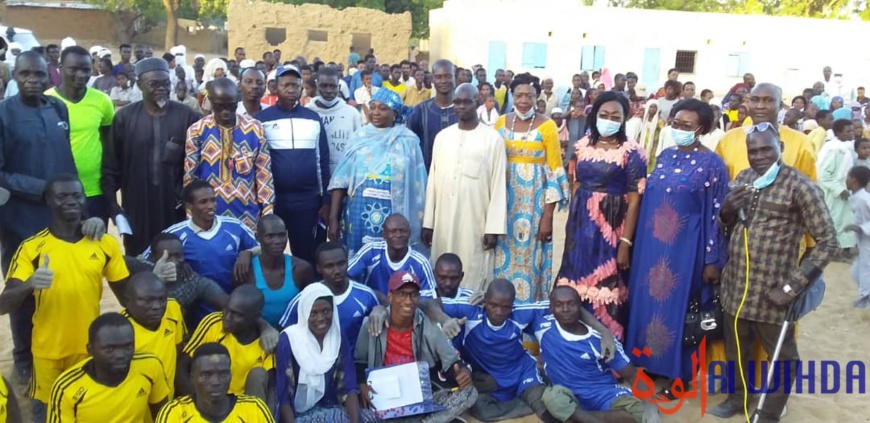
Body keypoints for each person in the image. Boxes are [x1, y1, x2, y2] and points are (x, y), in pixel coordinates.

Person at [710, 124, 838, 422]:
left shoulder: (801, 187)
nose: (759, 156)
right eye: (752, 150)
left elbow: (828, 241)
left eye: (766, 148)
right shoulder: (743, 179)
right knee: (736, 351)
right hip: (736, 288)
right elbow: (727, 227)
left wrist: (792, 288)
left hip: (773, 294)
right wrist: (727, 210)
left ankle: (770, 412)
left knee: (783, 358)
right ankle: (737, 398)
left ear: (780, 145)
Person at [0, 174, 128, 420]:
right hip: (48, 354)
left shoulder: (104, 244)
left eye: (76, 196)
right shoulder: (31, 248)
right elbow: (3, 304)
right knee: (46, 415)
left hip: (90, 351)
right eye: (62, 196)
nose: (70, 201)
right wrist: (29, 284)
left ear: (84, 200)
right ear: (49, 201)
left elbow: (125, 294)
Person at [624, 99, 729, 391]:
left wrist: (713, 260)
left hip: (686, 251)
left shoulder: (713, 165)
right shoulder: (666, 155)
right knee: (645, 307)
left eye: (687, 125)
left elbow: (717, 214)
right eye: (676, 123)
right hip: (650, 249)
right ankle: (647, 367)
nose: (679, 129)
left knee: (682, 312)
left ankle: (679, 376)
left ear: (703, 128)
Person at [0, 51, 81, 382]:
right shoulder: (4, 114)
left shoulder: (57, 108)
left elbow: (67, 158)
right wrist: (43, 188)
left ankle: (64, 351)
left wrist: (76, 199)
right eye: (25, 75)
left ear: (50, 78)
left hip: (61, 216)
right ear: (14, 78)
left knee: (62, 286)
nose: (32, 80)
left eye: (38, 75)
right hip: (20, 218)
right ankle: (23, 356)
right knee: (24, 290)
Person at [441, 280, 609, 422]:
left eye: (505, 307)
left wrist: (604, 332)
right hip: (490, 377)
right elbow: (429, 303)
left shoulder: (522, 313)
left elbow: (572, 305)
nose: (499, 312)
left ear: (513, 304)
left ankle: (536, 396)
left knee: (547, 411)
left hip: (523, 373)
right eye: (493, 305)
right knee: (482, 411)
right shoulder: (469, 309)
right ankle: (529, 399)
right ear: (485, 301)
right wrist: (445, 320)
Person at [556, 92, 646, 340]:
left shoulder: (632, 152)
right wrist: (572, 223)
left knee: (607, 286)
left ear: (624, 119)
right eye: (604, 115)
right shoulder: (582, 146)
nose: (609, 120)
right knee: (575, 280)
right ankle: (572, 344)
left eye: (615, 116)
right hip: (581, 225)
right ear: (594, 115)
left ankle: (608, 350)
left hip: (612, 228)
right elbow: (576, 182)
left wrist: (625, 243)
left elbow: (635, 198)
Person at [102, 57, 202, 256]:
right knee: (140, 261)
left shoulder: (188, 116)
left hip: (176, 206)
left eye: (165, 83)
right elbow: (111, 168)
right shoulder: (125, 118)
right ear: (139, 85)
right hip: (137, 206)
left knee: (178, 259)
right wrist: (113, 205)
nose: (161, 88)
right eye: (153, 84)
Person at [354, 271, 477, 423]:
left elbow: (450, 362)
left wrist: (461, 373)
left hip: (419, 396)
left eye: (413, 295)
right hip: (383, 397)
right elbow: (359, 363)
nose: (408, 301)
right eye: (402, 294)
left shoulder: (426, 323)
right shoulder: (373, 323)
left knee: (470, 392)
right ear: (390, 296)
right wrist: (361, 384)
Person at [494, 73, 571, 303]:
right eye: (519, 95)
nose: (524, 100)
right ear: (512, 95)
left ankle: (527, 317)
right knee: (501, 259)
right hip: (504, 205)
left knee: (531, 260)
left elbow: (554, 172)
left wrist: (547, 217)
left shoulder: (547, 126)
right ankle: (501, 310)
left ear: (537, 97)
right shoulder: (500, 123)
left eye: (529, 95)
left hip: (534, 208)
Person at [422, 83, 507, 291]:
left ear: (477, 101)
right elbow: (433, 180)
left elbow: (498, 185)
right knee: (441, 266)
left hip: (475, 220)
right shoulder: (443, 137)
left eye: (466, 102)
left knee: (473, 268)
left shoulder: (492, 139)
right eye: (457, 102)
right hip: (443, 219)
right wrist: (429, 223)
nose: (461, 106)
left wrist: (493, 228)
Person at [327, 89, 427, 256]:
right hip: (358, 215)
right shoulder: (359, 137)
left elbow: (419, 186)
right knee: (359, 258)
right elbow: (340, 181)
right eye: (372, 107)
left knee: (390, 257)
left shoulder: (408, 140)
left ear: (394, 112)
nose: (375, 112)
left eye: (382, 108)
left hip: (395, 216)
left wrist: (422, 221)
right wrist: (333, 219)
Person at [539, 287, 661, 423]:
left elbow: (632, 375)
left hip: (605, 396)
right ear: (550, 308)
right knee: (552, 397)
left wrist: (651, 408)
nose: (565, 309)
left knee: (642, 413)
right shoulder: (543, 325)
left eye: (571, 303)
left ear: (580, 307)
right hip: (568, 395)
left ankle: (581, 419)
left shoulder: (602, 340)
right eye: (558, 305)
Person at [256, 64, 331, 266]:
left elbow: (322, 160)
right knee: (271, 252)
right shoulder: (261, 120)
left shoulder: (313, 119)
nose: (291, 90)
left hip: (307, 200)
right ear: (275, 87)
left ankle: (307, 294)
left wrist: (325, 200)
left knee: (306, 253)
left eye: (296, 86)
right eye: (286, 85)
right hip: (275, 199)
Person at [276, 283, 378, 422]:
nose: (321, 318)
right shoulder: (289, 340)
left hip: (332, 409)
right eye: (313, 313)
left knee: (371, 418)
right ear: (305, 313)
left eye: (326, 311)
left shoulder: (337, 337)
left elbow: (348, 387)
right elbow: (284, 396)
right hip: (297, 416)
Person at [149, 181, 258, 308]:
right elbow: (146, 259)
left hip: (231, 306)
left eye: (213, 200)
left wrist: (248, 253)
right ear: (189, 205)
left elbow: (262, 248)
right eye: (203, 202)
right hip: (193, 310)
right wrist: (177, 262)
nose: (211, 206)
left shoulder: (235, 226)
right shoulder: (175, 234)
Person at [184, 77, 275, 230]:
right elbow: (190, 177)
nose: (225, 112)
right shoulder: (197, 131)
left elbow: (264, 173)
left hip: (248, 214)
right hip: (209, 215)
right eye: (219, 107)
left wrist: (267, 211)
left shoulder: (255, 129)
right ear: (210, 102)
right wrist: (190, 215)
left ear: (237, 101)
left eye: (231, 106)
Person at [47, 313, 169, 421]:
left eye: (128, 346)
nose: (121, 355)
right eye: (110, 349)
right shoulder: (67, 388)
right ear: (90, 350)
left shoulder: (150, 366)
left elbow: (162, 414)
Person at [47, 46, 115, 223]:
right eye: (74, 69)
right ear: (61, 68)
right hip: (58, 191)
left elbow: (108, 141)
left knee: (93, 244)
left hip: (94, 190)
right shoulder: (46, 101)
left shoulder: (102, 101)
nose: (81, 74)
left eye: (85, 69)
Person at [280, 242, 381, 352]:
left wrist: (381, 310)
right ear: (318, 268)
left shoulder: (365, 295)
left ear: (347, 263)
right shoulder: (304, 298)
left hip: (355, 364)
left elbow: (380, 326)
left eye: (341, 264)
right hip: (316, 364)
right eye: (329, 266)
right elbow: (284, 332)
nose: (337, 271)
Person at [179, 285, 274, 401]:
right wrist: (198, 401)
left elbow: (271, 388)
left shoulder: (268, 343)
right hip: (206, 400)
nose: (227, 317)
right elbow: (182, 366)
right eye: (226, 310)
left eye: (236, 314)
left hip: (243, 405)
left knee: (258, 374)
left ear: (256, 317)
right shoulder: (213, 323)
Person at [715, 83, 816, 181]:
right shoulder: (728, 139)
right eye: (754, 100)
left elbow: (810, 188)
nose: (760, 106)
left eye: (768, 100)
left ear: (780, 106)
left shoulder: (801, 142)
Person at [156, 343, 275, 423]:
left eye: (223, 374)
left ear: (230, 376)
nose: (215, 382)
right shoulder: (174, 412)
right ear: (192, 378)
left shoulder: (254, 408)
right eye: (206, 375)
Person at [119, 271, 187, 399]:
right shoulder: (119, 332)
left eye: (161, 299)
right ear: (126, 301)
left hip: (167, 402)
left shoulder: (172, 309)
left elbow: (177, 347)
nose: (156, 306)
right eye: (147, 301)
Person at [249, 214, 314, 327]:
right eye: (270, 236)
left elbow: (312, 307)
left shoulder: (301, 269)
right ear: (258, 238)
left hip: (293, 338)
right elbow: (241, 311)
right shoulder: (247, 270)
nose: (278, 241)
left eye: (281, 235)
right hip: (258, 338)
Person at [348, 213, 436, 294]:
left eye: (403, 231)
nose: (398, 235)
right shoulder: (371, 251)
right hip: (375, 307)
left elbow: (429, 300)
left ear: (409, 233)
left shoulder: (421, 263)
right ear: (384, 234)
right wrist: (367, 295)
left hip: (407, 308)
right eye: (393, 231)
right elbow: (345, 274)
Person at [307, 66, 363, 174]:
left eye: (333, 86)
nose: (328, 91)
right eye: (323, 86)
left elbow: (358, 149)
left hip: (344, 176)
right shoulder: (308, 112)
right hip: (313, 176)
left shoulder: (352, 114)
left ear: (339, 86)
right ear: (317, 85)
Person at [407, 59, 459, 172]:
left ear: (455, 78)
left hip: (459, 177)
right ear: (432, 80)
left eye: (448, 76)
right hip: (427, 176)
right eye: (439, 77)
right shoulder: (420, 111)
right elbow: (409, 146)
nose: (443, 81)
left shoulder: (464, 110)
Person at [818, 119, 857, 255]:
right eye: (848, 131)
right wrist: (839, 190)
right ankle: (833, 252)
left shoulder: (848, 148)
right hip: (834, 193)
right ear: (839, 133)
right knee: (835, 222)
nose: (852, 133)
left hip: (846, 190)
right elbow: (823, 175)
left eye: (852, 130)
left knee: (846, 221)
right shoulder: (833, 150)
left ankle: (845, 249)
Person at [846, 166, 870, 308]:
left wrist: (860, 228)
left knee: (864, 270)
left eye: (848, 176)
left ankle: (865, 300)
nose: (846, 180)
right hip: (864, 240)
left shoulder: (863, 199)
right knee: (856, 271)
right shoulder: (858, 197)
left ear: (854, 179)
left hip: (867, 240)